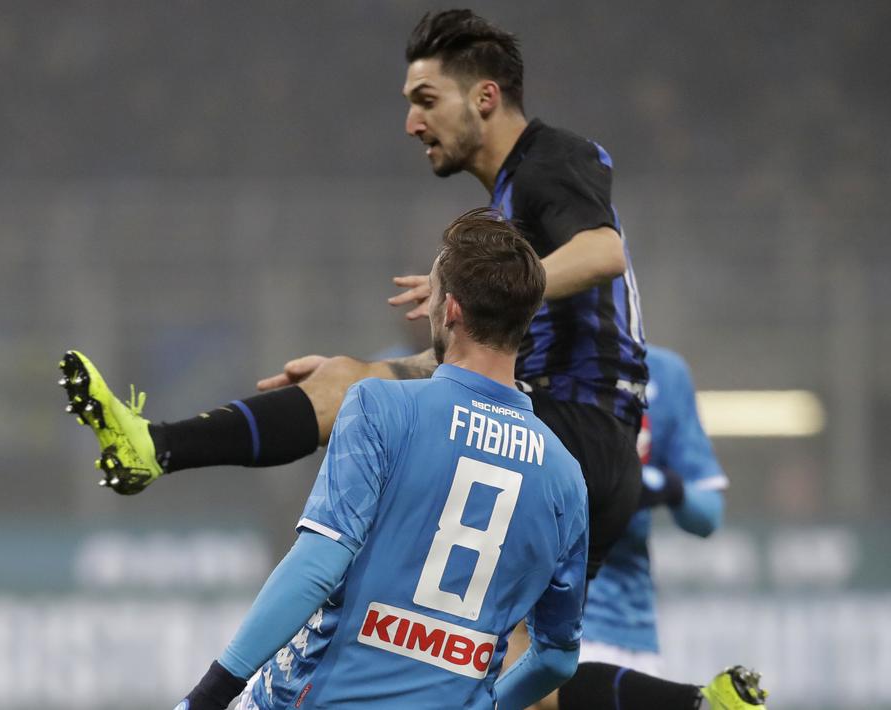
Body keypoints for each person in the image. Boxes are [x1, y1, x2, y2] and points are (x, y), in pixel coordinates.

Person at [58, 9, 766, 708]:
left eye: (425, 100)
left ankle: (160, 454)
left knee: (378, 559)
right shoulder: (511, 200)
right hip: (572, 435)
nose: (411, 123)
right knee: (508, 660)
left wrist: (497, 284)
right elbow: (502, 343)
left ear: (484, 97)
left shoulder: (551, 158)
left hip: (569, 424)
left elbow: (603, 252)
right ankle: (698, 706)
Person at [176, 210, 588, 710]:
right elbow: (557, 657)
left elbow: (318, 565)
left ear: (451, 309)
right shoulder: (565, 474)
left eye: (433, 293)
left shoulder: (381, 406)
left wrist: (207, 696)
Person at [516, 344, 767, 709]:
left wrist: (666, 486)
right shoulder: (521, 349)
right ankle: (698, 704)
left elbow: (708, 513)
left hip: (618, 624)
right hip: (543, 610)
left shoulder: (664, 372)